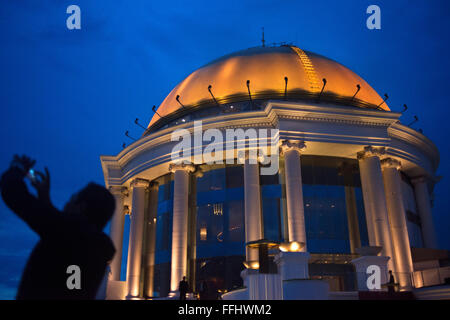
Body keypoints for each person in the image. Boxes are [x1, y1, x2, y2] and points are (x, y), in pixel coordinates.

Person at [0, 155, 116, 300]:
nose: (68, 202)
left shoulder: (65, 231)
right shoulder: (97, 250)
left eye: (73, 198)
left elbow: (14, 194)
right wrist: (45, 199)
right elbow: (64, 236)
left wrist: (17, 168)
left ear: (81, 207)